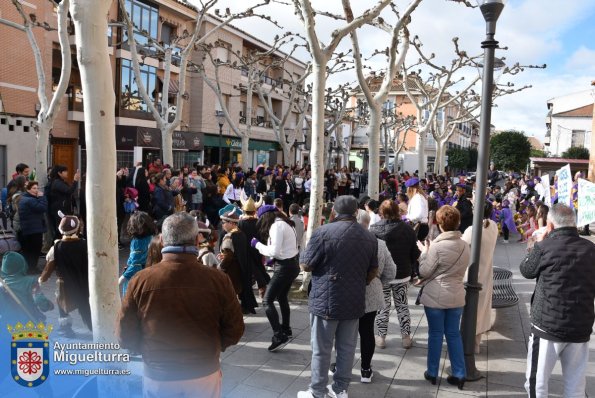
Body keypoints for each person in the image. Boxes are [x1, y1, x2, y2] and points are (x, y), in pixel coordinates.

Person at [118, 212, 245, 398]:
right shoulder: (218, 279)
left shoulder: (141, 280)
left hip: (159, 375)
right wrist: (212, 347)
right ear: (196, 241)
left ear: (161, 240)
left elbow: (124, 334)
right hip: (203, 373)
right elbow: (235, 329)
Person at [297, 196, 378, 398]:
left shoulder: (322, 232)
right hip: (354, 300)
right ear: (356, 211)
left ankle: (317, 391)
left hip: (326, 300)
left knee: (321, 349)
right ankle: (340, 389)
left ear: (334, 210)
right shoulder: (369, 237)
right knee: (347, 348)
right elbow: (373, 270)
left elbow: (306, 265)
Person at [519, 204, 595, 398]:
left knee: (537, 383)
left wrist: (535, 246)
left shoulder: (544, 247)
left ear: (550, 225)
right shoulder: (590, 249)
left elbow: (526, 270)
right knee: (576, 385)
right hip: (580, 325)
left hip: (547, 325)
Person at [418, 205, 470, 390]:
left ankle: (432, 372)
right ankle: (459, 372)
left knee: (435, 334)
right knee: (454, 334)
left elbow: (424, 271)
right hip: (456, 295)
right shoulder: (465, 245)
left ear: (440, 224)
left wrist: (424, 253)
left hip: (436, 296)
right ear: (458, 223)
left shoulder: (437, 247)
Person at [352, 210, 396, 383]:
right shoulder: (379, 244)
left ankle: (340, 366)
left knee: (344, 333)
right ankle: (365, 369)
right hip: (370, 293)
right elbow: (391, 271)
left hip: (346, 293)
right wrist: (378, 282)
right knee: (367, 331)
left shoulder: (346, 241)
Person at [370, 199, 420, 350]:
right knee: (402, 305)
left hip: (382, 274)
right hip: (402, 273)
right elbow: (415, 253)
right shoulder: (407, 229)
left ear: (381, 212)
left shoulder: (373, 229)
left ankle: (381, 337)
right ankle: (405, 337)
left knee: (383, 306)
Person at [251, 204, 299, 352]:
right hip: (292, 265)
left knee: (267, 300)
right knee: (282, 297)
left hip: (284, 267)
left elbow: (274, 250)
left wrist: (257, 244)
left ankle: (279, 334)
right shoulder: (286, 223)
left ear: (266, 217)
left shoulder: (276, 226)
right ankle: (286, 328)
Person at [39, 215, 91, 336]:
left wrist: (43, 278)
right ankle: (94, 325)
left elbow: (49, 266)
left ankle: (66, 329)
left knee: (62, 305)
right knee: (86, 304)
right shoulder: (85, 244)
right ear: (77, 228)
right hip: (83, 281)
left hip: (64, 284)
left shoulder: (56, 247)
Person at [462, 202, 498, 354]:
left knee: (469, 309)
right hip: (486, 272)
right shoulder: (494, 226)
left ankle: (467, 343)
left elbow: (462, 248)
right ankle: (476, 342)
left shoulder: (472, 230)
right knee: (482, 309)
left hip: (471, 274)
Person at [119, 211, 157, 296]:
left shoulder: (137, 242)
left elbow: (135, 265)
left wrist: (123, 278)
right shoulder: (152, 238)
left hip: (136, 278)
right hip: (150, 274)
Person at [17, 181, 48, 274]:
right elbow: (42, 208)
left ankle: (31, 268)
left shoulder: (25, 198)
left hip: (30, 229)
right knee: (34, 250)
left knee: (30, 251)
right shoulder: (30, 200)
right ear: (28, 189)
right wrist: (42, 197)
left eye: (37, 188)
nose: (36, 190)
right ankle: (31, 269)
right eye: (34, 188)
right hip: (33, 229)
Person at [48, 165, 80, 238]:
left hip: (64, 209)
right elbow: (69, 191)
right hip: (60, 210)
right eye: (65, 171)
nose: (67, 173)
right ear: (59, 173)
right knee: (61, 229)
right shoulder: (57, 183)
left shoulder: (62, 182)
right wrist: (75, 181)